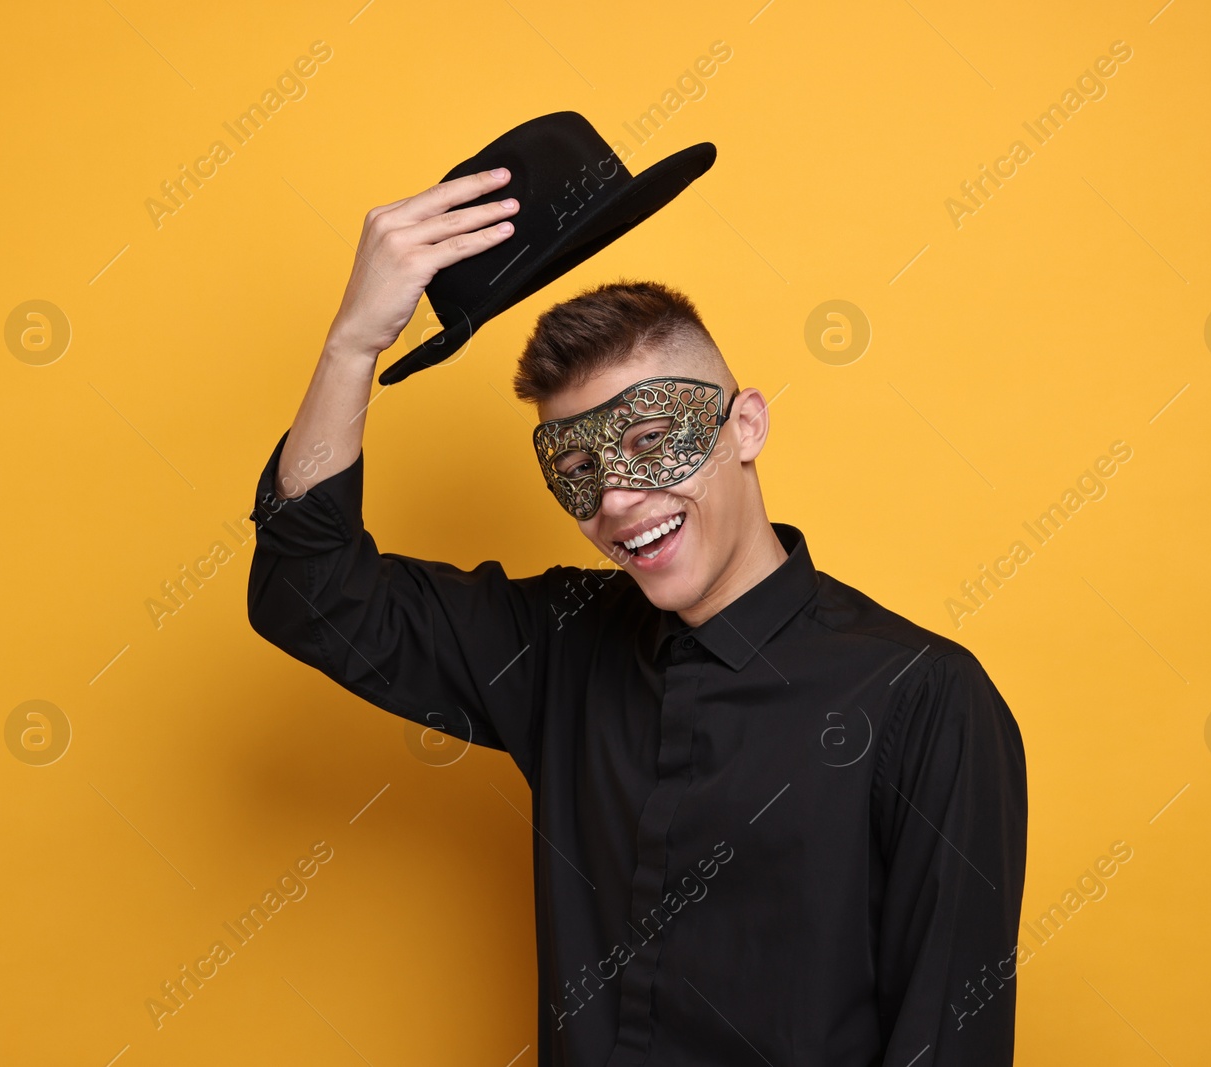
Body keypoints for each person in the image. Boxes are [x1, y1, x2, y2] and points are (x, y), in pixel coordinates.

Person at [247, 166, 1028, 1066]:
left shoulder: (924, 699)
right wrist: (352, 347)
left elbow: (950, 1042)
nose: (617, 499)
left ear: (745, 427)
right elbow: (308, 591)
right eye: (577, 467)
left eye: (653, 443)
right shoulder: (557, 647)